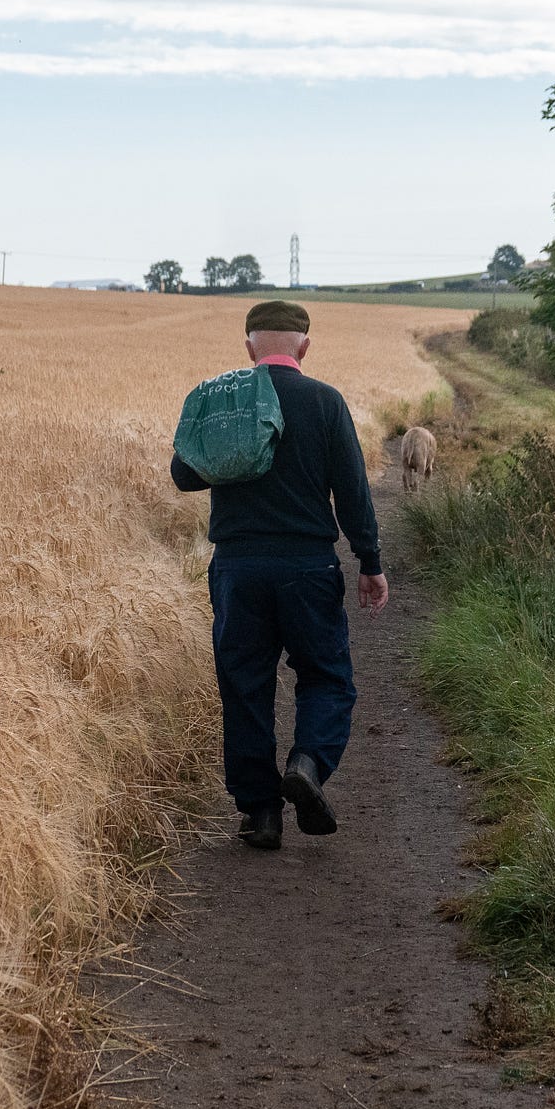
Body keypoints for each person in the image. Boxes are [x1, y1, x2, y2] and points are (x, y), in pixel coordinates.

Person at [172, 300, 388, 849]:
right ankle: (309, 763)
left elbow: (183, 474)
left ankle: (260, 814)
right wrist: (370, 561)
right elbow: (353, 491)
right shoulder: (325, 402)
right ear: (305, 347)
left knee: (244, 686)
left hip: (238, 569)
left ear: (249, 348)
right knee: (326, 675)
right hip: (308, 566)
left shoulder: (224, 403)